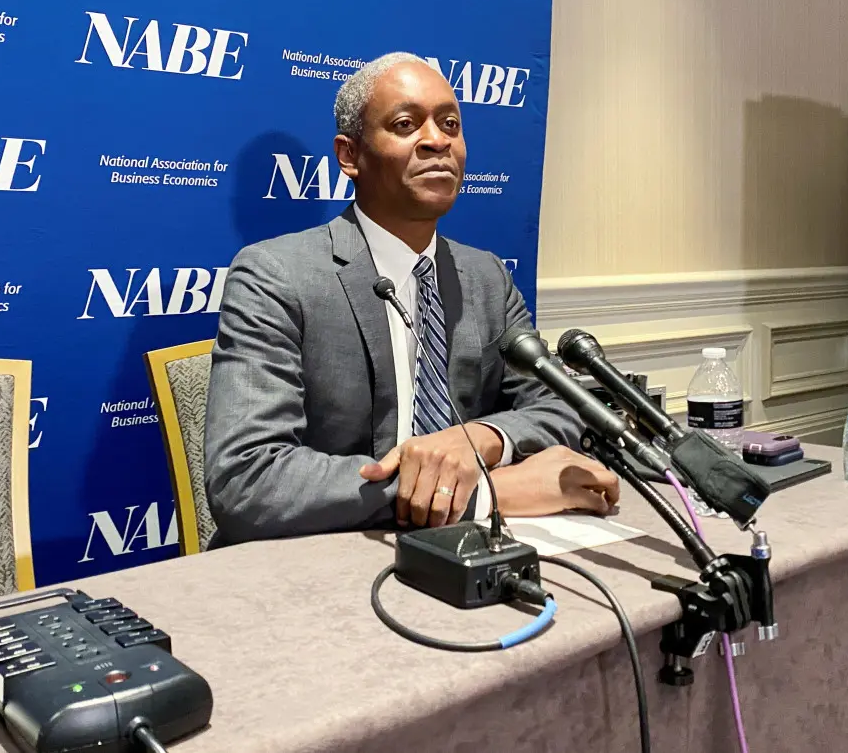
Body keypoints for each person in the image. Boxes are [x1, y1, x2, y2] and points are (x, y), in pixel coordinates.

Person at [203, 52, 620, 546]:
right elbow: (247, 480)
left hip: (465, 556)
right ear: (350, 155)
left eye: (450, 124)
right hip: (319, 557)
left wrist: (477, 442)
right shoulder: (276, 274)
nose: (437, 140)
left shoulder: (486, 276)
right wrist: (481, 493)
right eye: (406, 124)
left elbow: (557, 409)